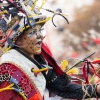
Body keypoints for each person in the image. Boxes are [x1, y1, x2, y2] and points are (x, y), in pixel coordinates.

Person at [0, 0, 100, 100]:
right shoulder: (8, 68)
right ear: (17, 40)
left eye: (39, 30)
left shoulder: (39, 61)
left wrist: (96, 89)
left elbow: (64, 88)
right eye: (32, 32)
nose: (39, 36)